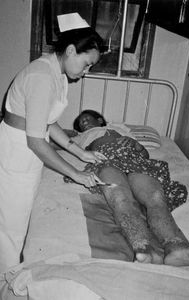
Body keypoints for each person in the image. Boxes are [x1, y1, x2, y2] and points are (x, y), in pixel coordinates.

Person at [0, 13, 107, 273]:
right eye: (86, 64)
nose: (86, 71)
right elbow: (36, 140)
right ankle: (7, 280)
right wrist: (76, 174)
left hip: (26, 153)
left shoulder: (56, 72)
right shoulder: (42, 76)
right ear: (71, 50)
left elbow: (47, 121)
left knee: (19, 219)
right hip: (18, 151)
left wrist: (80, 152)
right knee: (10, 228)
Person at [64, 109, 189, 266]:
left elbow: (144, 153)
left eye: (87, 118)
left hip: (135, 160)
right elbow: (50, 134)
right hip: (105, 160)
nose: (84, 122)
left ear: (100, 120)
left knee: (155, 197)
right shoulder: (77, 137)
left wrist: (136, 146)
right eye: (81, 122)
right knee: (120, 198)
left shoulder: (120, 128)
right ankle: (144, 248)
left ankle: (177, 247)